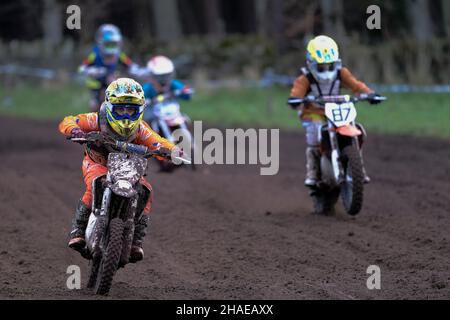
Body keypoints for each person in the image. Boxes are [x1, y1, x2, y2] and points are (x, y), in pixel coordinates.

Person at [58, 78, 180, 262]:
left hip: (129, 168)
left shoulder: (140, 129)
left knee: (146, 191)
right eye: (120, 109)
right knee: (95, 185)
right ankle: (78, 229)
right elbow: (69, 121)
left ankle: (136, 239)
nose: (125, 115)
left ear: (139, 110)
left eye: (130, 110)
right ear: (109, 107)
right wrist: (75, 131)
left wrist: (172, 151)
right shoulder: (97, 119)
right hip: (96, 163)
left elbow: (157, 141)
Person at [288, 35, 381, 187]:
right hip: (314, 112)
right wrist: (295, 99)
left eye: (329, 65)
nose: (325, 69)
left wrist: (369, 94)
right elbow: (297, 91)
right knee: (314, 134)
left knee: (357, 129)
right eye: (320, 66)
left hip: (338, 109)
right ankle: (313, 171)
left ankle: (359, 168)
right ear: (311, 62)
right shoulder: (305, 78)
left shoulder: (341, 73)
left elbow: (356, 86)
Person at [79, 24, 143, 111]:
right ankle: (94, 117)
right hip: (97, 84)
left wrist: (136, 70)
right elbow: (82, 67)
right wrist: (93, 71)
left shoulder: (119, 55)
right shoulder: (95, 54)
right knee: (95, 104)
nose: (111, 48)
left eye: (114, 44)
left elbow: (130, 65)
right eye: (108, 45)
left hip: (113, 82)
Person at [142, 55, 193, 122]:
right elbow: (139, 100)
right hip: (153, 116)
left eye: (167, 76)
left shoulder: (173, 84)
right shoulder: (147, 88)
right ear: (152, 76)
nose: (164, 79)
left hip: (172, 114)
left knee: (185, 119)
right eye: (160, 77)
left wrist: (185, 91)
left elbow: (186, 95)